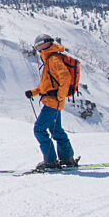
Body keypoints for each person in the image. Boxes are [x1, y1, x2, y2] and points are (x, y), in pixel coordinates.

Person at [25, 34, 79, 170]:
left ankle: (50, 161)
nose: (42, 49)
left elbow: (65, 77)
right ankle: (67, 158)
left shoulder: (53, 59)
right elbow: (46, 86)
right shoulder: (49, 60)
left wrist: (60, 96)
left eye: (43, 46)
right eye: (39, 47)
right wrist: (34, 92)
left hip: (52, 103)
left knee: (39, 129)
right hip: (53, 101)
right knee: (56, 130)